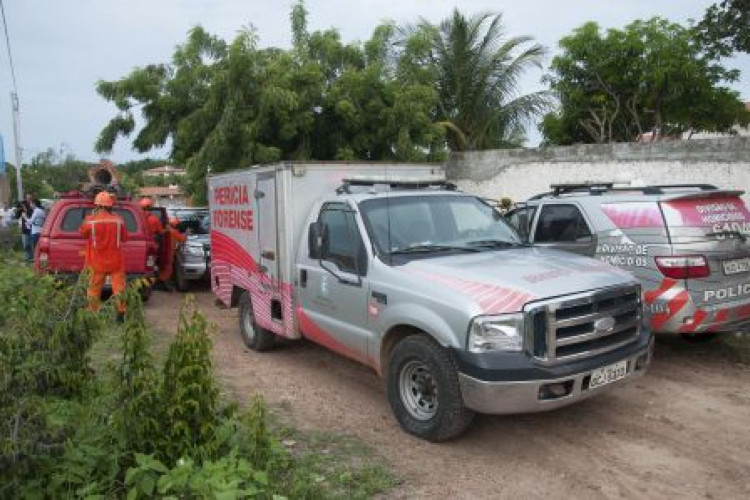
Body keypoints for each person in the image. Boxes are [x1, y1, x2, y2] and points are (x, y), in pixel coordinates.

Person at [79, 191, 128, 322]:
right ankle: (120, 315)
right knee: (119, 289)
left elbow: (82, 234)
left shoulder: (90, 221)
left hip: (96, 262)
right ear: (110, 205)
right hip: (116, 261)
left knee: (94, 289)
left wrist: (89, 219)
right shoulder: (119, 220)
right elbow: (125, 238)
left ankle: (92, 314)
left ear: (97, 205)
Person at [157, 216, 187, 289]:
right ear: (175, 225)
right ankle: (164, 283)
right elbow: (182, 239)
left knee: (164, 268)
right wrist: (186, 234)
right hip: (169, 252)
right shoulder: (173, 232)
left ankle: (162, 282)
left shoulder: (166, 231)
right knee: (168, 269)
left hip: (164, 252)